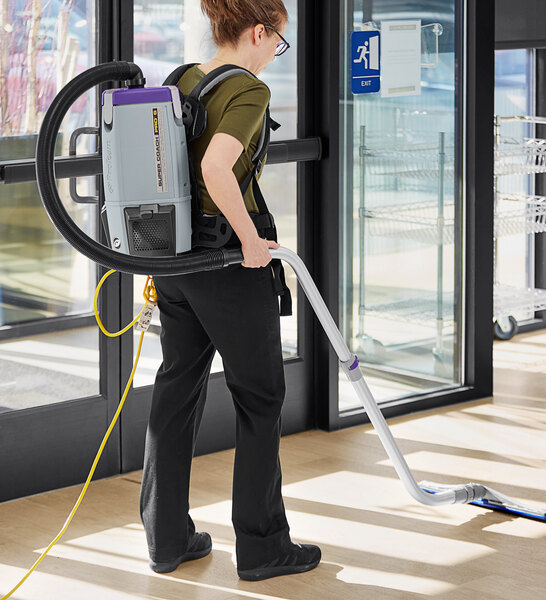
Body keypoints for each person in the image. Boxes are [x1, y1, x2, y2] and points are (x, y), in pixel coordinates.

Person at [139, 0, 321, 583]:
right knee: (261, 396)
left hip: (174, 263)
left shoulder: (184, 79)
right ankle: (264, 547)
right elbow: (218, 170)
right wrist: (249, 241)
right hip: (223, 264)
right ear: (259, 32)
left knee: (178, 386)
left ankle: (167, 540)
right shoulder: (247, 90)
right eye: (277, 42)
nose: (275, 54)